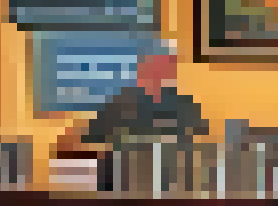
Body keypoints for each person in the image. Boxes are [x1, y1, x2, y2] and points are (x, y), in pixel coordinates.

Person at [77, 47, 206, 147]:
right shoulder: (120, 103)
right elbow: (93, 137)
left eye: (166, 68)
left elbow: (200, 136)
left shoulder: (185, 104)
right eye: (153, 68)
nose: (159, 74)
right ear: (141, 71)